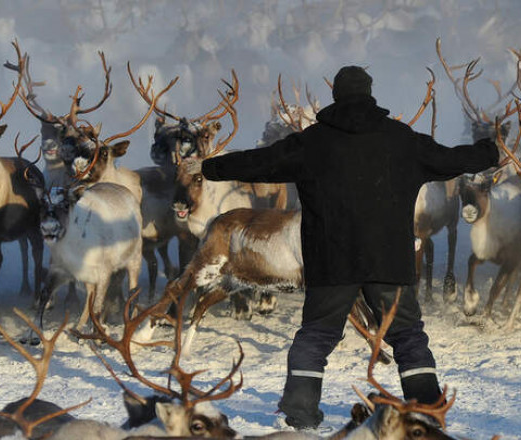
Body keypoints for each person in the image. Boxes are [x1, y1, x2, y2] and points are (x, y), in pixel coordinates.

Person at [201, 65, 499, 429]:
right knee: (407, 336)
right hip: (389, 261)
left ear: (336, 97)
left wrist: (211, 167)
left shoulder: (312, 142)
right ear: (370, 93)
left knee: (315, 336)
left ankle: (299, 415)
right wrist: (488, 151)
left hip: (331, 262)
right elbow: (451, 159)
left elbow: (260, 162)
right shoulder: (401, 139)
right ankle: (426, 410)